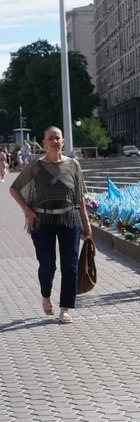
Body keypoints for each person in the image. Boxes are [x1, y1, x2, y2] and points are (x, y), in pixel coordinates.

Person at [9, 127, 93, 324]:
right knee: (47, 265)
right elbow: (14, 189)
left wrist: (86, 221)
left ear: (63, 141)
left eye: (57, 138)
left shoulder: (73, 165)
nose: (54, 141)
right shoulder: (35, 166)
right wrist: (28, 211)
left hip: (69, 219)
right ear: (44, 143)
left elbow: (80, 195)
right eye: (50, 138)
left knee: (70, 266)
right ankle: (46, 295)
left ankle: (65, 308)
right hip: (43, 221)